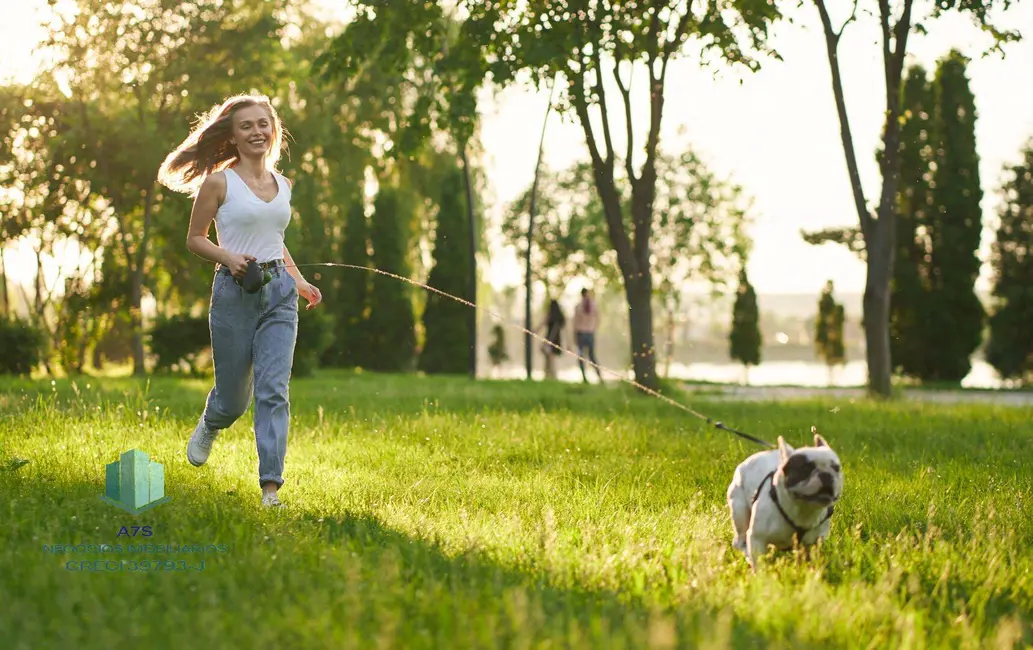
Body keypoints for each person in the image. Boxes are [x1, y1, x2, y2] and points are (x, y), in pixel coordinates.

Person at [157, 93, 322, 508]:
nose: (256, 131)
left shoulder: (284, 185)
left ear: (273, 129)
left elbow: (275, 241)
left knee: (273, 389)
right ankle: (212, 421)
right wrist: (228, 257)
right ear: (232, 135)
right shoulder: (219, 182)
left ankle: (270, 488)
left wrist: (299, 281)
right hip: (234, 294)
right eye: (246, 125)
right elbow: (194, 238)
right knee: (234, 400)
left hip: (278, 293)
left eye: (262, 124)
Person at [573, 288, 603, 383]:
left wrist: (574, 336)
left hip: (581, 334)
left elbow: (575, 323)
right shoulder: (594, 305)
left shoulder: (578, 306)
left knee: (581, 356)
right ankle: (599, 376)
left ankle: (584, 377)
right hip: (590, 333)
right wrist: (594, 329)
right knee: (592, 356)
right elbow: (598, 319)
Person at [537, 299, 565, 380]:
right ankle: (551, 376)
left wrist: (534, 331)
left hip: (549, 339)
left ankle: (549, 376)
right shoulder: (560, 317)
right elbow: (565, 330)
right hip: (557, 339)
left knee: (549, 359)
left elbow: (542, 324)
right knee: (551, 358)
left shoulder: (549, 316)